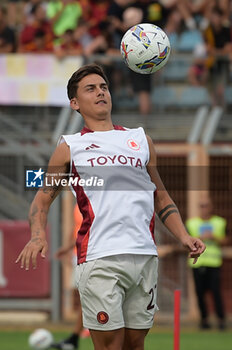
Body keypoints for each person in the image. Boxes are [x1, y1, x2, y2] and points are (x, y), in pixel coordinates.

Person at [16, 63, 205, 350]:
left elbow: (161, 197)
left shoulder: (140, 139)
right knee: (110, 346)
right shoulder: (69, 146)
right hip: (100, 257)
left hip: (144, 256)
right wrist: (38, 235)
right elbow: (43, 197)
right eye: (90, 89)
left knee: (134, 345)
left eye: (103, 87)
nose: (100, 92)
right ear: (75, 103)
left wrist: (184, 236)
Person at [52, 204, 90, 350]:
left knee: (87, 297)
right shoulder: (78, 203)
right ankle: (78, 334)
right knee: (82, 296)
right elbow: (76, 229)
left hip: (91, 254)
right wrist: (68, 249)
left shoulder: (98, 197)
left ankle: (80, 333)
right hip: (78, 253)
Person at [186, 197, 227, 330]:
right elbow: (185, 242)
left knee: (215, 292)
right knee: (199, 293)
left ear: (211, 207)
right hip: (197, 264)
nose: (204, 209)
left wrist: (214, 237)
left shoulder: (220, 222)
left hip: (214, 263)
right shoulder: (191, 223)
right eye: (202, 206)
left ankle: (221, 320)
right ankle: (204, 320)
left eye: (206, 206)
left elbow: (227, 240)